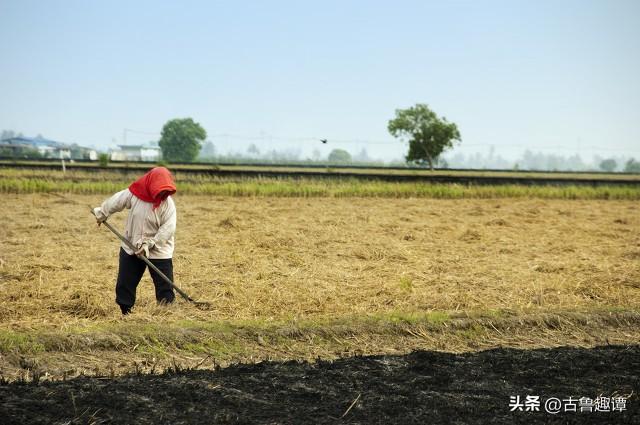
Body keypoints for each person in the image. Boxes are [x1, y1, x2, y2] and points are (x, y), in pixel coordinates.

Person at [93, 167, 177, 315]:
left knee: (165, 287)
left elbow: (168, 229)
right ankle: (126, 312)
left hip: (158, 249)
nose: (161, 194)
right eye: (159, 190)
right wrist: (102, 212)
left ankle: (166, 314)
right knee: (125, 284)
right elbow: (116, 201)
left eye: (165, 190)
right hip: (131, 245)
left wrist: (150, 244)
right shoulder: (135, 193)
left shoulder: (168, 204)